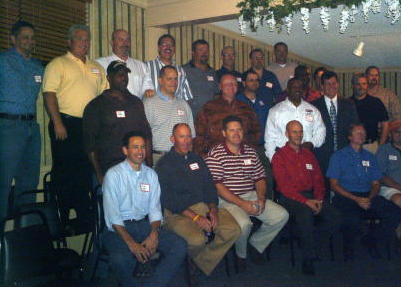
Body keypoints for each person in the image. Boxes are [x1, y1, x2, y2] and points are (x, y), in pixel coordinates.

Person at [102, 131, 187, 287]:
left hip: (144, 225)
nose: (140, 151)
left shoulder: (151, 175)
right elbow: (113, 218)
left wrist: (154, 233)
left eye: (142, 147)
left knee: (179, 246)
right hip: (118, 229)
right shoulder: (113, 175)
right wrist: (132, 244)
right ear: (125, 150)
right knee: (121, 258)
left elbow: (155, 210)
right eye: (135, 147)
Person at [43, 24, 107, 224]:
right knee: (64, 172)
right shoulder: (58, 64)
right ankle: (61, 217)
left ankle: (84, 215)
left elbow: (104, 96)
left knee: (85, 171)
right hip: (66, 124)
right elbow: (49, 94)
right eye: (80, 38)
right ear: (69, 41)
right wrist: (57, 122)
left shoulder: (96, 67)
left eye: (87, 39)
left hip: (88, 127)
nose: (84, 42)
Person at [156, 123, 240, 277]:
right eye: (182, 137)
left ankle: (199, 260)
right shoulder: (164, 164)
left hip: (202, 207)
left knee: (233, 229)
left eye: (189, 136)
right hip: (177, 213)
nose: (187, 140)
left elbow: (209, 186)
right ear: (172, 139)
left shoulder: (197, 159)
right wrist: (195, 217)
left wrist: (213, 209)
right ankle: (199, 259)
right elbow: (169, 199)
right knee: (197, 240)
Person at [206, 116, 288, 269]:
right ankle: (240, 255)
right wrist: (242, 204)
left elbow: (260, 178)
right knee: (244, 224)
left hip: (251, 195)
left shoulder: (250, 151)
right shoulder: (215, 154)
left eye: (239, 129)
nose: (236, 133)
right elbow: (217, 187)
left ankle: (255, 244)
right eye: (231, 130)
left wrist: (261, 199)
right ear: (224, 133)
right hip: (226, 200)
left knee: (281, 215)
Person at [272, 120, 341, 275]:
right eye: (294, 132)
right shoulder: (279, 156)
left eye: (301, 131)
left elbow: (318, 179)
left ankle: (309, 242)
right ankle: (308, 258)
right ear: (287, 134)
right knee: (305, 213)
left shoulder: (309, 154)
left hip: (311, 196)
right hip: (288, 198)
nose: (299, 135)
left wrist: (319, 199)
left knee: (335, 217)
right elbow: (284, 187)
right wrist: (306, 202)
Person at [326, 124, 401, 260]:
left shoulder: (370, 157)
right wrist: (356, 199)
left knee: (396, 213)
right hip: (346, 196)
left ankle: (371, 239)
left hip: (368, 195)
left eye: (363, 133)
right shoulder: (338, 156)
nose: (362, 135)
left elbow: (376, 183)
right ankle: (348, 248)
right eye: (357, 133)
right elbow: (334, 185)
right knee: (352, 219)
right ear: (349, 137)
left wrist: (369, 197)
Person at [0, 21, 44, 222]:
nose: (30, 41)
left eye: (32, 37)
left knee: (29, 185)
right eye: (25, 37)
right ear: (13, 38)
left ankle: (26, 239)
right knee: (3, 182)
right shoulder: (3, 61)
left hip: (31, 128)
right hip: (9, 127)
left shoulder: (38, 67)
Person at [83, 60, 153, 185]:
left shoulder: (136, 103)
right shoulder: (96, 105)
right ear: (108, 78)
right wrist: (99, 175)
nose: (123, 78)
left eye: (125, 74)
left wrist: (149, 167)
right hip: (109, 170)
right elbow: (90, 144)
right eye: (119, 75)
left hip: (137, 168)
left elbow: (146, 135)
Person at [194, 74, 260, 158]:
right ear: (220, 86)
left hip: (243, 156)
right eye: (227, 84)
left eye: (234, 83)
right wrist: (204, 156)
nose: (231, 86)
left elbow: (256, 132)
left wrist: (251, 151)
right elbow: (199, 135)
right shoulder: (208, 108)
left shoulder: (246, 108)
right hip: (216, 157)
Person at [144, 65, 195, 165]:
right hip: (158, 158)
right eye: (169, 79)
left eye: (176, 79)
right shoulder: (149, 104)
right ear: (160, 80)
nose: (174, 83)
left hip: (181, 159)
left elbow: (191, 137)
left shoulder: (184, 105)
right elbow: (144, 136)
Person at [265, 78, 326, 161]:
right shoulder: (275, 111)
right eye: (294, 87)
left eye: (300, 87)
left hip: (307, 156)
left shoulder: (313, 110)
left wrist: (312, 143)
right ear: (288, 90)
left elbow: (321, 131)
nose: (298, 90)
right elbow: (269, 139)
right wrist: (274, 160)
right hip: (284, 157)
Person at [311, 71, 359, 175]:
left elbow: (355, 128)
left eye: (334, 83)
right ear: (322, 86)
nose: (331, 86)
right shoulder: (314, 106)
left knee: (344, 187)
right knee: (324, 188)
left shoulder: (349, 104)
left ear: (338, 84)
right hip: (322, 155)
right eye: (328, 84)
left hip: (345, 153)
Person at [96, 29, 152, 99]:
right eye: (120, 39)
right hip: (109, 108)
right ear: (112, 43)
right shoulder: (99, 64)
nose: (125, 43)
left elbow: (148, 91)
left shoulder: (141, 66)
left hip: (134, 108)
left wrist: (148, 92)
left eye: (127, 40)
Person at [145, 34, 193, 101]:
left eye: (171, 45)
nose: (168, 47)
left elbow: (186, 97)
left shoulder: (180, 70)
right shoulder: (146, 67)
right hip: (153, 109)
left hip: (174, 109)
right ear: (158, 48)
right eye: (164, 44)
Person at [350, 73, 389, 154]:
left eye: (364, 84)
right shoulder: (347, 103)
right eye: (358, 84)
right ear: (353, 85)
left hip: (371, 146)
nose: (361, 87)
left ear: (367, 85)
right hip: (351, 146)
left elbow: (385, 124)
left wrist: (380, 147)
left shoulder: (376, 102)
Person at [183, 39, 219, 119]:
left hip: (209, 118)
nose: (204, 53)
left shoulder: (212, 71)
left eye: (206, 50)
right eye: (200, 50)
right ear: (193, 53)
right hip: (190, 117)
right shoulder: (184, 70)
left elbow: (216, 94)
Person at [236, 71, 270, 145]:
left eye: (256, 80)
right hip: (244, 145)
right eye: (251, 80)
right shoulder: (237, 102)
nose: (254, 82)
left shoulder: (264, 101)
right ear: (244, 83)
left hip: (263, 145)